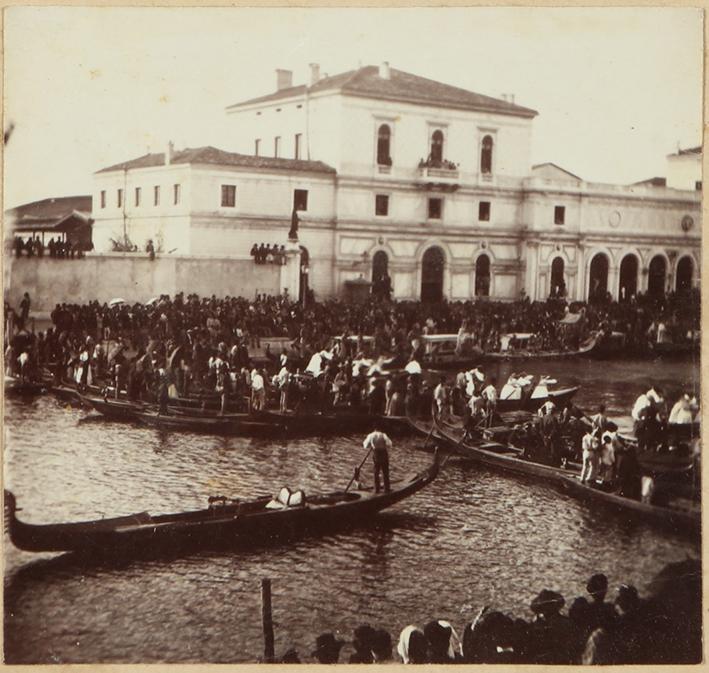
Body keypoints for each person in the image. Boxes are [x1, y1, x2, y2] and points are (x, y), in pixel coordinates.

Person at [363, 426, 392, 493]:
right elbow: (389, 444)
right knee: (385, 472)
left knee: (376, 471)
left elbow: (365, 446)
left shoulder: (371, 435)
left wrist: (372, 445)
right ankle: (386, 489)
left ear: (374, 429)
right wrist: (384, 444)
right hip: (383, 453)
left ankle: (376, 489)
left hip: (376, 454)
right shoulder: (383, 435)